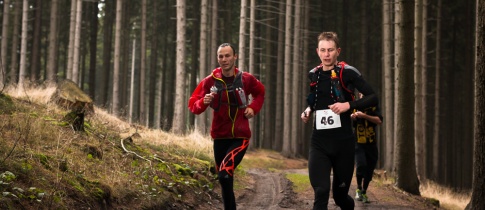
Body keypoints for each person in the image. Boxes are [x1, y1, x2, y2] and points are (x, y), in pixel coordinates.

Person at [300, 31, 378, 210]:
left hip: (344, 144)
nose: (326, 54)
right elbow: (315, 97)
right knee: (321, 191)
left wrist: (348, 105)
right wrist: (308, 109)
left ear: (338, 51)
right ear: (317, 52)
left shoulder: (348, 72)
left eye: (330, 50)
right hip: (319, 142)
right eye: (323, 50)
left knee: (340, 197)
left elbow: (373, 97)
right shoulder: (314, 74)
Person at [188, 43, 265, 210]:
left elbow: (260, 92)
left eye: (227, 55)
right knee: (225, 179)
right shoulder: (210, 81)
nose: (224, 59)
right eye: (221, 56)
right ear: (217, 58)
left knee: (224, 174)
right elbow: (193, 105)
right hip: (219, 138)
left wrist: (253, 108)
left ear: (235, 57)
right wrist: (203, 101)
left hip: (240, 137)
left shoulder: (246, 79)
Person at [351, 93, 383, 203]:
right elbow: (349, 119)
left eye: (365, 94)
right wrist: (353, 117)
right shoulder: (355, 105)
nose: (363, 96)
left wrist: (364, 116)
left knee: (369, 170)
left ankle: (364, 192)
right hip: (358, 142)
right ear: (359, 95)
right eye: (361, 94)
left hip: (371, 143)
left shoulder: (373, 106)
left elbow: (379, 120)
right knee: (361, 165)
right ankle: (358, 189)